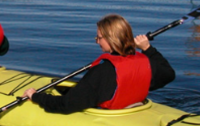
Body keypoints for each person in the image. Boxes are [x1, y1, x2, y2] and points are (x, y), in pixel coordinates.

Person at [23, 14, 174, 113]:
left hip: (112, 118)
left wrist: (36, 97)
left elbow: (67, 105)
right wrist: (147, 48)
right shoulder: (146, 62)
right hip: (134, 110)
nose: (97, 41)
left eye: (99, 38)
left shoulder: (103, 71)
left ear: (111, 39)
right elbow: (169, 74)